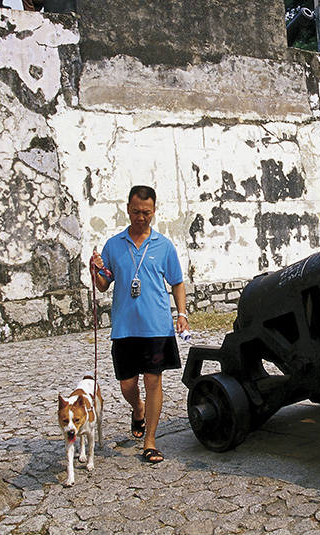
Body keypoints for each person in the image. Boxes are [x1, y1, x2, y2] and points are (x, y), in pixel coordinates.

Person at [90, 185, 188, 464]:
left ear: (154, 211)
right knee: (127, 385)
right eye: (135, 212)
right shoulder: (114, 244)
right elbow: (102, 285)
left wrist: (182, 314)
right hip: (124, 326)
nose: (141, 217)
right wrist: (96, 268)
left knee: (153, 380)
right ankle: (138, 409)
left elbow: (177, 282)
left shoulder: (164, 245)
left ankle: (150, 441)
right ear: (128, 209)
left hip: (157, 326)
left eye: (146, 212)